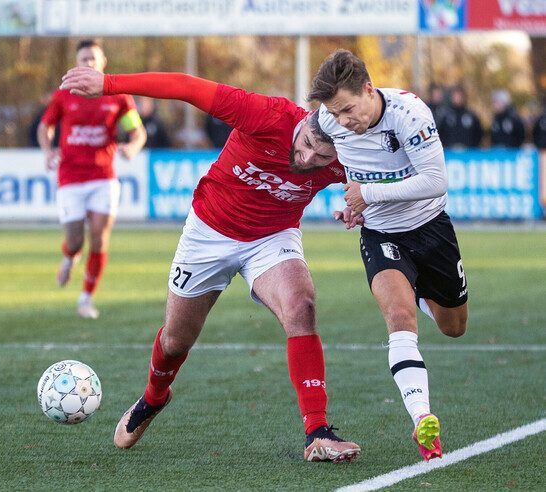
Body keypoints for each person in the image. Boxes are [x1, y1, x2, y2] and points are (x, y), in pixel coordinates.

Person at [61, 66, 362, 463]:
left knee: (301, 307)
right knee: (175, 341)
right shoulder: (265, 114)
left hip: (272, 238)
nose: (307, 158)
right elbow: (186, 86)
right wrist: (109, 85)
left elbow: (389, 181)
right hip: (208, 233)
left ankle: (318, 432)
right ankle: (154, 398)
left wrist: (363, 203)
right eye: (306, 144)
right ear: (305, 119)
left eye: (321, 156)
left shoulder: (351, 154)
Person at [308, 49, 469, 461]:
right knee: (399, 319)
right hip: (381, 233)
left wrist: (367, 194)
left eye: (347, 108)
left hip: (431, 229)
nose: (342, 120)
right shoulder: (327, 120)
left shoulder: (410, 114)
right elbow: (321, 157)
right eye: (334, 112)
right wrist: (353, 205)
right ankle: (423, 422)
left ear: (368, 89)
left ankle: (420, 291)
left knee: (454, 326)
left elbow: (435, 181)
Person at [38, 40, 146, 319]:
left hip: (103, 177)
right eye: (83, 59)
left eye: (93, 59)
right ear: (76, 63)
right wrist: (48, 151)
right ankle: (69, 256)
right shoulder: (65, 94)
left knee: (99, 237)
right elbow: (45, 126)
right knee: (75, 240)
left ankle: (86, 297)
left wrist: (132, 147)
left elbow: (137, 131)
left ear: (103, 62)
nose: (88, 63)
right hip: (71, 177)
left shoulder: (118, 97)